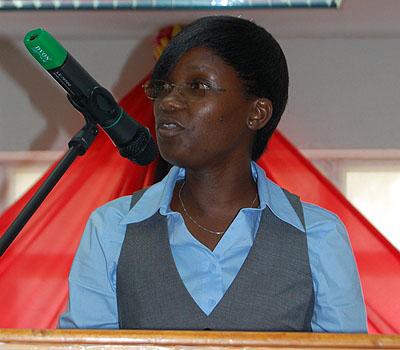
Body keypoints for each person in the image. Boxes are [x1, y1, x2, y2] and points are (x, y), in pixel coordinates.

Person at [59, 15, 367, 332]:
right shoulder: (112, 229)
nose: (168, 102)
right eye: (163, 88)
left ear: (256, 112)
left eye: (198, 87)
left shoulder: (318, 236)